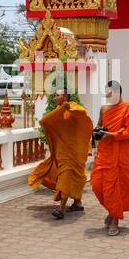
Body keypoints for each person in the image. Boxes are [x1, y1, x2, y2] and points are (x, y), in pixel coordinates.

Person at [28, 89, 93, 219]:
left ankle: (62, 209)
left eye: (57, 95)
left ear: (65, 96)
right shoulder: (58, 111)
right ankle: (77, 203)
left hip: (75, 151)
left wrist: (69, 108)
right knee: (66, 176)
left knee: (76, 177)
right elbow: (44, 121)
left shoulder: (75, 108)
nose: (55, 98)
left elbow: (83, 115)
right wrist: (62, 109)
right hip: (63, 152)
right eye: (55, 95)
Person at [91, 81, 129, 236]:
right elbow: (99, 125)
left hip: (120, 152)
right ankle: (112, 211)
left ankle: (115, 220)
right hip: (104, 152)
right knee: (97, 185)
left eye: (109, 94)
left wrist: (110, 134)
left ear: (117, 93)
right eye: (106, 93)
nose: (107, 96)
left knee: (115, 186)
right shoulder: (104, 108)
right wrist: (95, 132)